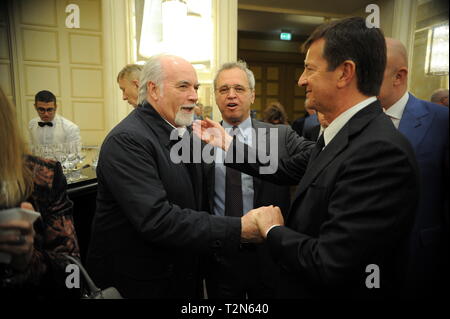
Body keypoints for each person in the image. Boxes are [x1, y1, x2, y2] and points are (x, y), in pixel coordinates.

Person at [194, 17, 420, 298]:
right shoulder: (337, 135)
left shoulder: (380, 152)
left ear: (344, 73)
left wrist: (272, 229)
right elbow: (286, 168)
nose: (301, 80)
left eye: (309, 69)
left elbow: (330, 262)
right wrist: (228, 144)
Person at [86, 54, 268, 299]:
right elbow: (157, 219)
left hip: (181, 276)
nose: (193, 95)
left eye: (195, 87)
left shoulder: (183, 134)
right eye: (183, 86)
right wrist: (239, 228)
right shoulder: (128, 140)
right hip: (142, 284)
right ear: (153, 90)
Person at [203, 61, 311, 298]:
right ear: (216, 96)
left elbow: (317, 157)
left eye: (239, 89)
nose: (231, 95)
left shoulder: (280, 136)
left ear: (252, 95)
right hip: (220, 252)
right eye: (224, 89)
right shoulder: (199, 139)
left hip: (269, 253)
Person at [378, 38, 449, 297]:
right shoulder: (355, 122)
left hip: (422, 260)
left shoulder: (441, 121)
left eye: (372, 70)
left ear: (399, 76)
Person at [0, 87, 80, 298]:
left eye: (49, 110)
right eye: (41, 110)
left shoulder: (70, 128)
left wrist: (27, 258)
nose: (45, 114)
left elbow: (70, 267)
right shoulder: (30, 125)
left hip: (50, 180)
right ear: (35, 108)